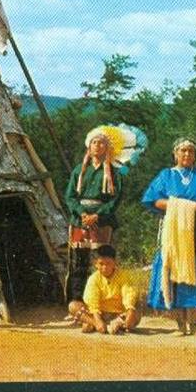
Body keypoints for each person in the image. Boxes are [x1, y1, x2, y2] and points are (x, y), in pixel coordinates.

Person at [142, 138, 196, 336]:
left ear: (195, 155)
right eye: (182, 151)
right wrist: (178, 205)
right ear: (175, 154)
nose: (186, 154)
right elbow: (154, 200)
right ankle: (179, 325)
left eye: (190, 151)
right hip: (173, 233)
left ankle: (195, 325)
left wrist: (191, 207)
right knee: (173, 274)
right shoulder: (166, 175)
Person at [64, 128, 123, 303]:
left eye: (102, 143)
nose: (97, 146)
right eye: (94, 142)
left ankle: (103, 302)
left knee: (103, 262)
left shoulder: (113, 173)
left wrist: (97, 215)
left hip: (102, 221)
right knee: (78, 263)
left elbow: (116, 198)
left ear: (107, 148)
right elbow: (70, 196)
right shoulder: (79, 171)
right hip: (79, 220)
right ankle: (76, 302)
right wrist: (82, 213)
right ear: (89, 147)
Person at [67, 245, 141, 334]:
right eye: (101, 264)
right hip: (99, 314)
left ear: (115, 263)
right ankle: (96, 324)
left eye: (108, 263)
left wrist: (130, 312)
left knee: (136, 311)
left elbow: (129, 296)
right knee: (73, 306)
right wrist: (97, 320)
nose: (105, 267)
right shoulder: (93, 278)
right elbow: (92, 303)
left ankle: (112, 324)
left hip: (119, 314)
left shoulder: (124, 276)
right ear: (96, 264)